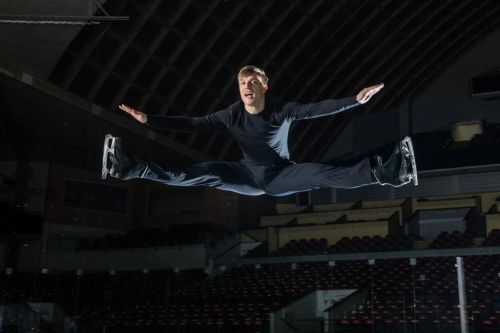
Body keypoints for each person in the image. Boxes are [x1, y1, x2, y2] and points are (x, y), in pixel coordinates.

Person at [102, 65, 417, 196]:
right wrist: (149, 120)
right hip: (246, 174)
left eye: (252, 82)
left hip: (281, 176)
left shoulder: (282, 111)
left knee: (320, 173)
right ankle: (130, 167)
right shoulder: (231, 115)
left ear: (264, 86)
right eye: (242, 83)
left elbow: (318, 109)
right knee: (203, 171)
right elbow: (192, 125)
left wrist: (354, 100)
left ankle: (385, 173)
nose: (246, 87)